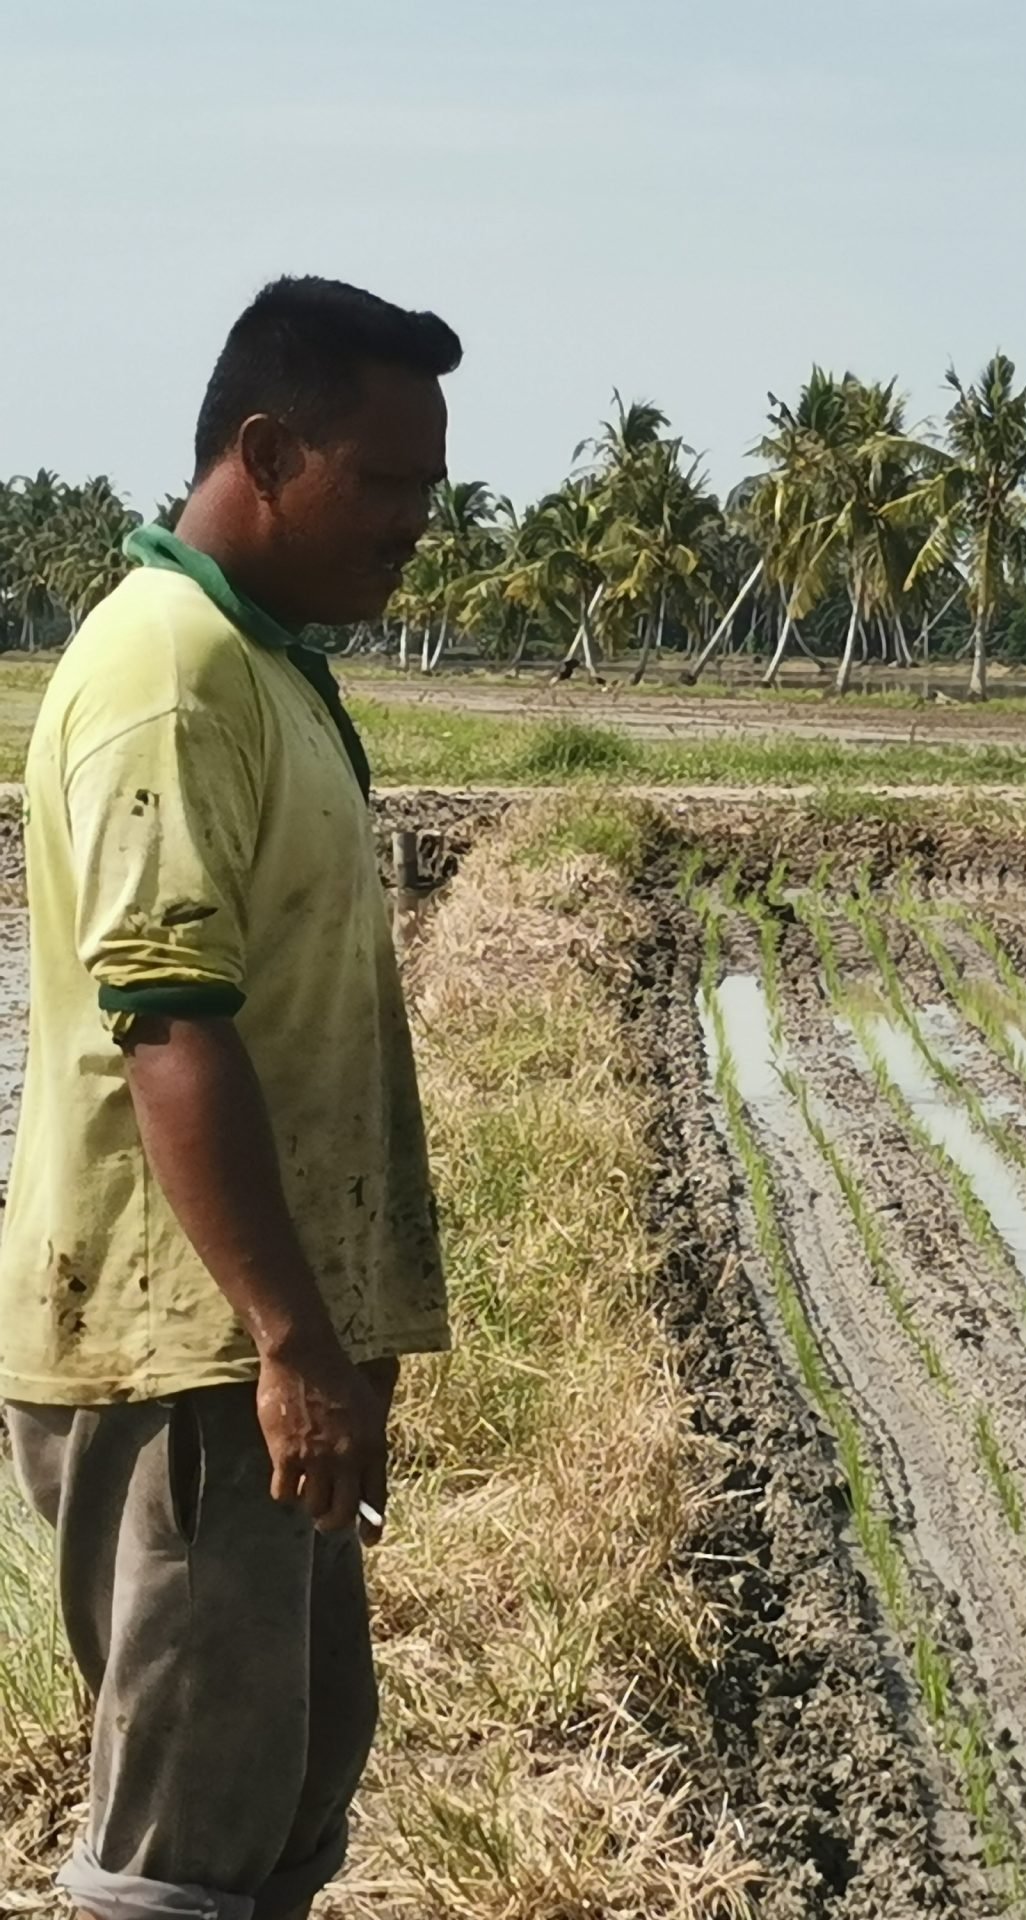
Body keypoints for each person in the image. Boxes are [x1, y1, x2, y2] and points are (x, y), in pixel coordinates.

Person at [0, 276, 457, 1920]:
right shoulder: (170, 674)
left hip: (252, 1350)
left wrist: (345, 1334)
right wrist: (286, 1338)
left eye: (432, 487)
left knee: (290, 1794)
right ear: (268, 451)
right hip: (184, 1356)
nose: (420, 525)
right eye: (388, 482)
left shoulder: (260, 665)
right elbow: (171, 1025)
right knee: (180, 1855)